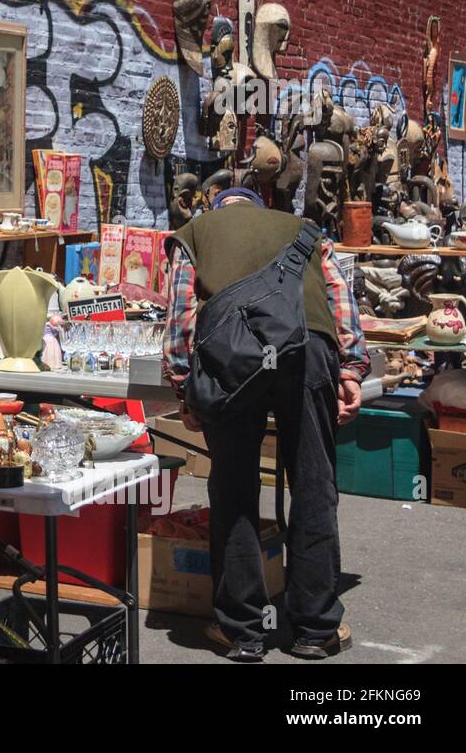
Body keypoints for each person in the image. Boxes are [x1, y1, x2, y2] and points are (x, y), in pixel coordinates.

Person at [164, 187, 366, 661]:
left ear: (218, 210)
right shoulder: (305, 231)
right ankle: (314, 629)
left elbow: (180, 318)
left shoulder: (194, 233)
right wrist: (352, 369)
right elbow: (341, 297)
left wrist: (182, 388)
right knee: (314, 483)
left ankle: (243, 631)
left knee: (234, 486)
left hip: (231, 359)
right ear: (259, 208)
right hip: (307, 350)